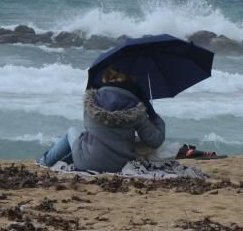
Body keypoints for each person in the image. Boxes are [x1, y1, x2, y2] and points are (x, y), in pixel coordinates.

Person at [38, 66, 166, 172]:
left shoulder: (92, 102)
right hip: (120, 166)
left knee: (72, 132)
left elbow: (88, 129)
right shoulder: (137, 109)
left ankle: (45, 161)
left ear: (106, 78)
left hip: (86, 163)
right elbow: (155, 141)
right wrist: (155, 118)